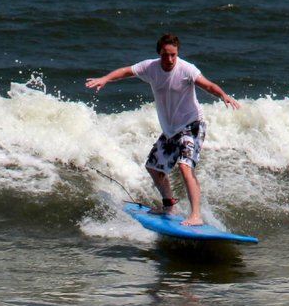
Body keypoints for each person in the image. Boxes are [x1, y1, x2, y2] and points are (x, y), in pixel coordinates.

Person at [86, 34, 240, 226]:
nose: (169, 60)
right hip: (171, 130)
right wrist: (105, 79)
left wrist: (223, 95)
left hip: (192, 125)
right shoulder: (150, 67)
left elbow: (207, 85)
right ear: (159, 53)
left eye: (173, 55)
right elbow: (126, 71)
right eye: (165, 55)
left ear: (177, 53)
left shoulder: (187, 69)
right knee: (153, 167)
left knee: (185, 166)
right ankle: (169, 206)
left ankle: (196, 216)